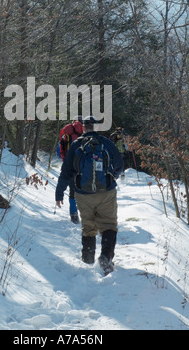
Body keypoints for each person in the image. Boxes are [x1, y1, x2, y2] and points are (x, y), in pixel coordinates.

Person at [55, 116, 124, 274]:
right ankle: (105, 257)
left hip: (83, 194)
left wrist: (59, 193)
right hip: (106, 192)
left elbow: (66, 172)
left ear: (84, 127)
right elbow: (120, 164)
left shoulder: (76, 144)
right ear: (96, 127)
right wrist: (112, 176)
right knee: (109, 225)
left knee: (88, 227)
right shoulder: (106, 143)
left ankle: (87, 263)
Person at [58, 116, 83, 224]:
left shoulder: (66, 132)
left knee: (72, 191)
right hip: (82, 164)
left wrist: (65, 159)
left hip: (69, 164)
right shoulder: (83, 130)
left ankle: (73, 214)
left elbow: (60, 150)